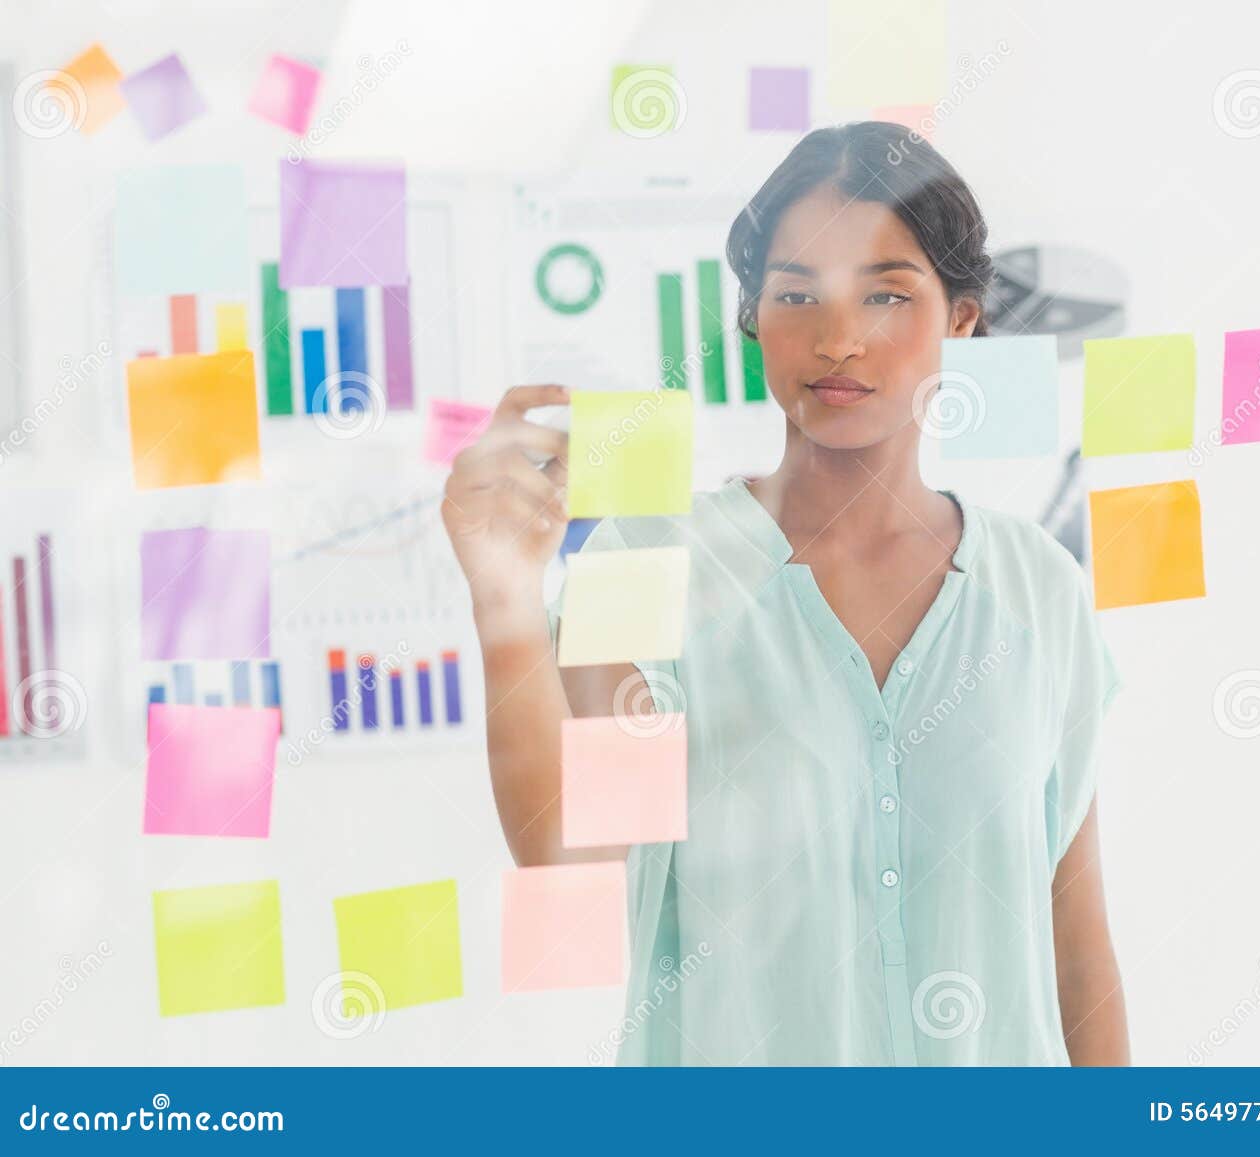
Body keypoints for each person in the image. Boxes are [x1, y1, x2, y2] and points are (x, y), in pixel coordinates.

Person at [443, 121, 1126, 1065]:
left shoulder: (1038, 587)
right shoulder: (650, 562)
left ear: (962, 319)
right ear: (754, 316)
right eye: (798, 293)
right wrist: (504, 596)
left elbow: (1076, 948)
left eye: (886, 294)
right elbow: (569, 858)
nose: (838, 338)